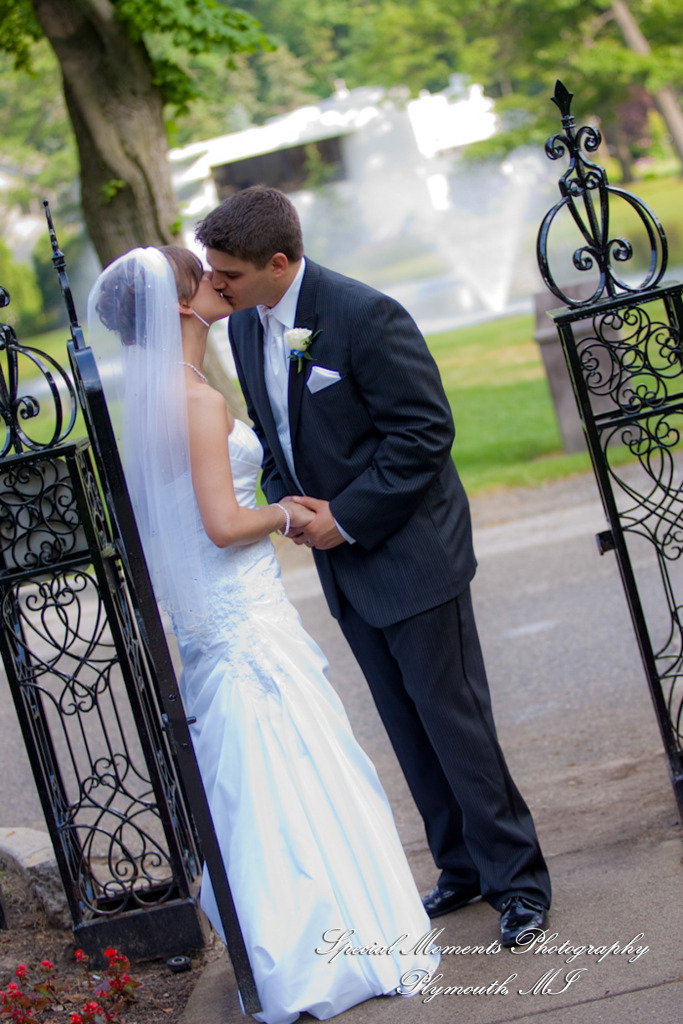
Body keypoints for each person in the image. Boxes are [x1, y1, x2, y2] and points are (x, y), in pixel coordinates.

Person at [86, 246, 440, 1024]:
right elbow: (220, 526)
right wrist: (289, 514)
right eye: (204, 277)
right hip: (241, 616)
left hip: (222, 619)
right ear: (181, 306)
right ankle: (323, 948)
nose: (221, 279)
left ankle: (290, 946)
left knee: (264, 779)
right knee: (289, 768)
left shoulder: (158, 397)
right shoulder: (196, 400)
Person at [195, 185, 552, 948]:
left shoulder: (366, 314)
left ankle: (517, 882)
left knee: (455, 725)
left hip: (411, 554)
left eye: (226, 272)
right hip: (343, 567)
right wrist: (284, 499)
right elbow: (274, 429)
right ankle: (458, 869)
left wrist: (345, 519)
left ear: (279, 262)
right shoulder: (249, 330)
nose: (214, 283)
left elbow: (424, 435)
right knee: (405, 725)